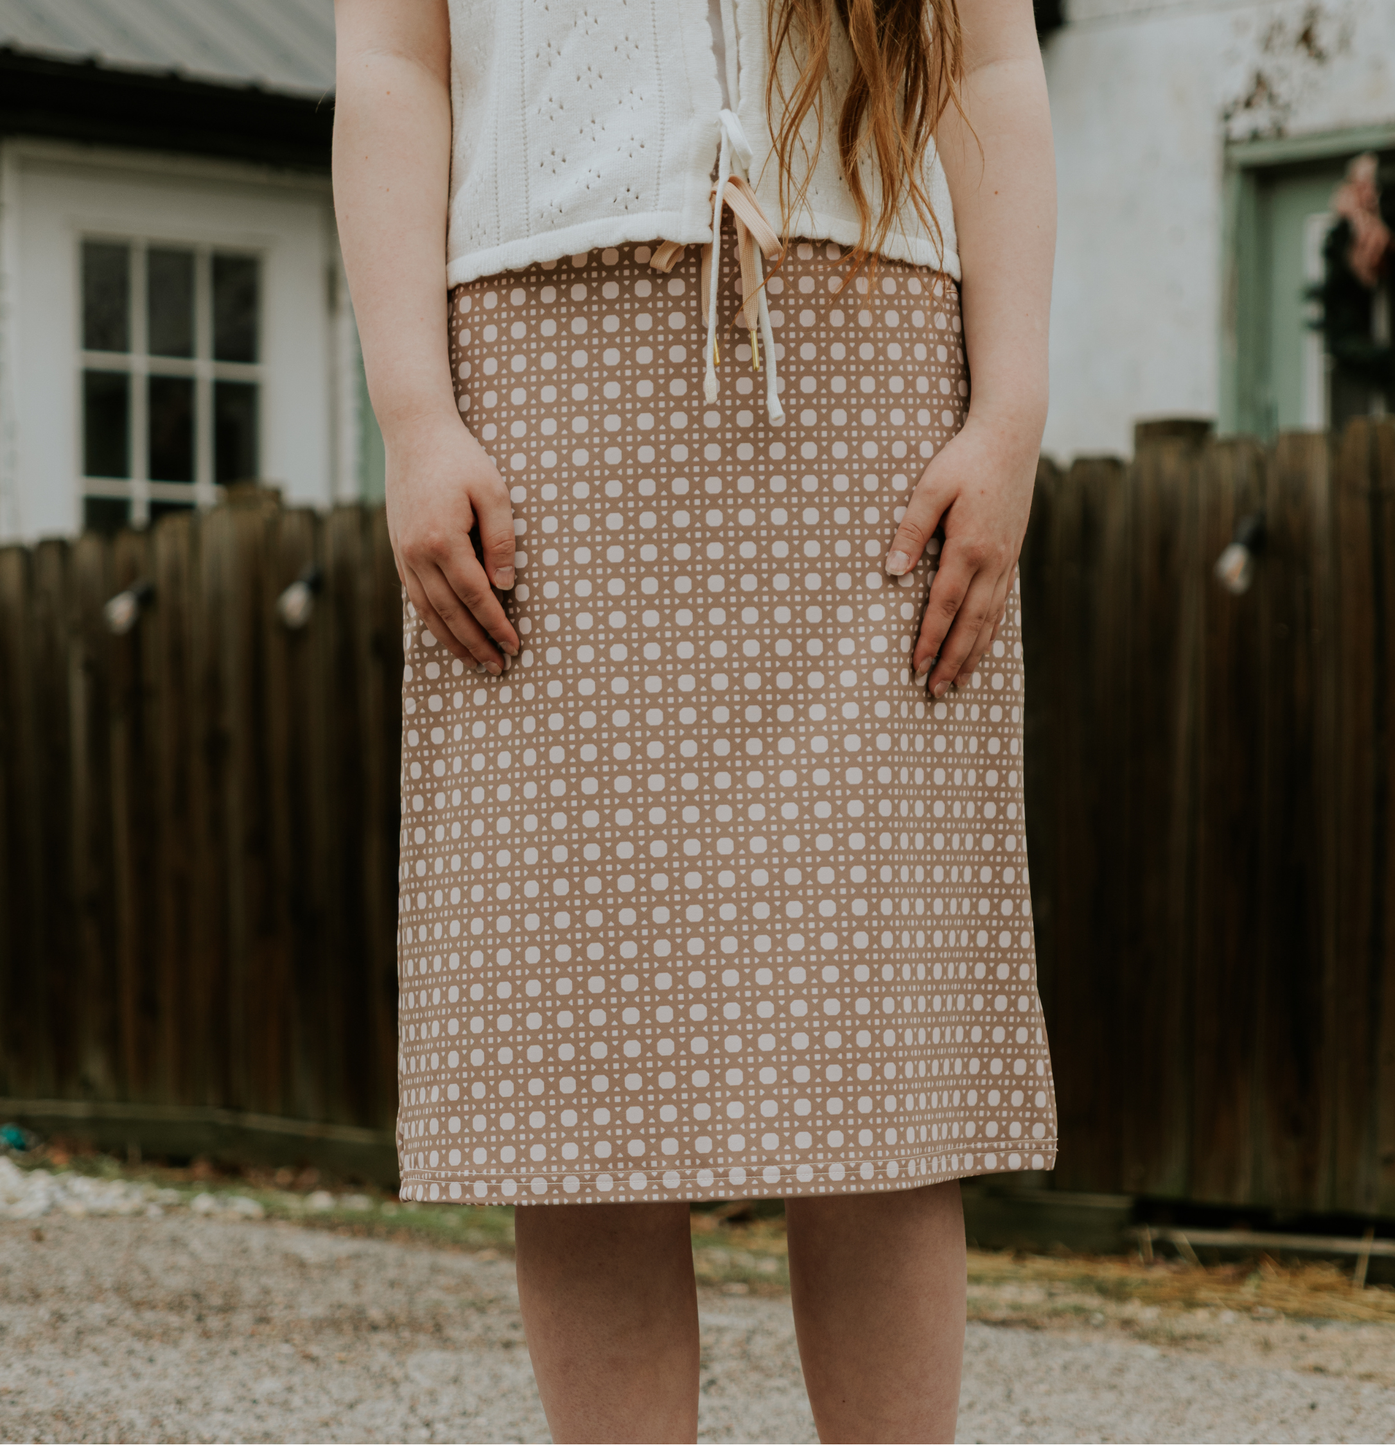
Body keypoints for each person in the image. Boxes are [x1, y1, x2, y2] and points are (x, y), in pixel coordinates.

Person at [333, 0, 1057, 1438]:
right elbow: (390, 63)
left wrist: (1011, 414)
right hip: (541, 396)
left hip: (877, 389)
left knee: (879, 1056)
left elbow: (990, 65)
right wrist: (415, 416)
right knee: (578, 1070)